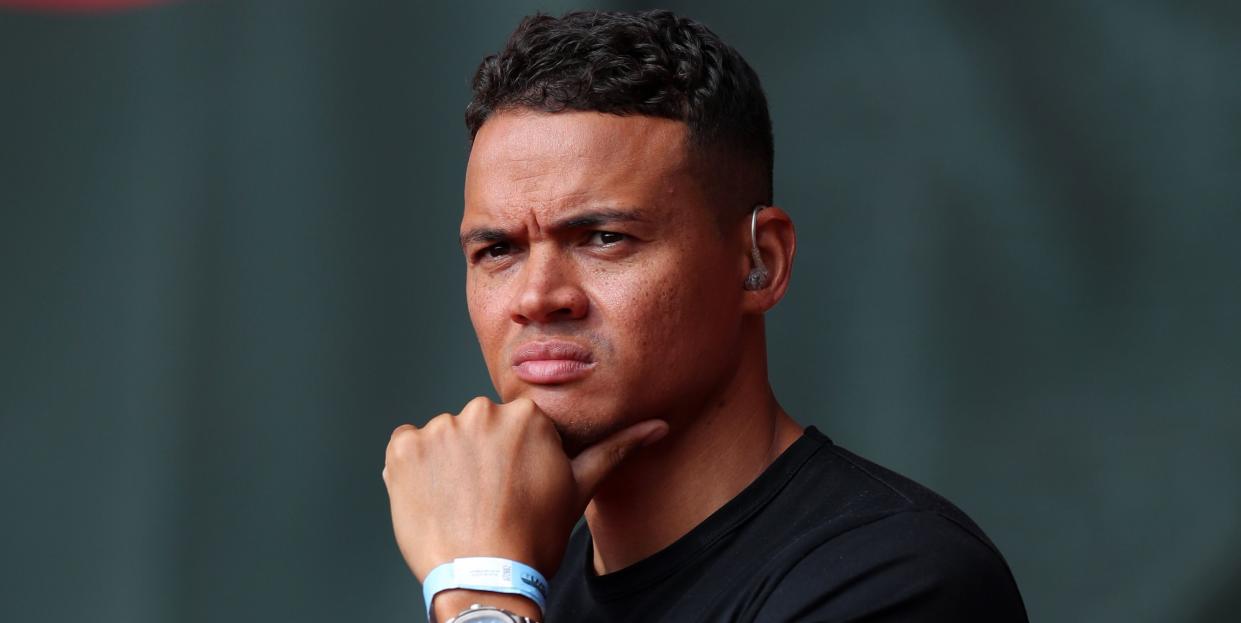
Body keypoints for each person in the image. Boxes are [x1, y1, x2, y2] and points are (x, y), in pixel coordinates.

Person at [382, 9, 1028, 623]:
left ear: (760, 261)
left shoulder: (897, 578)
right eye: (498, 250)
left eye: (604, 237)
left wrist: (481, 597)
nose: (537, 295)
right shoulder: (538, 577)